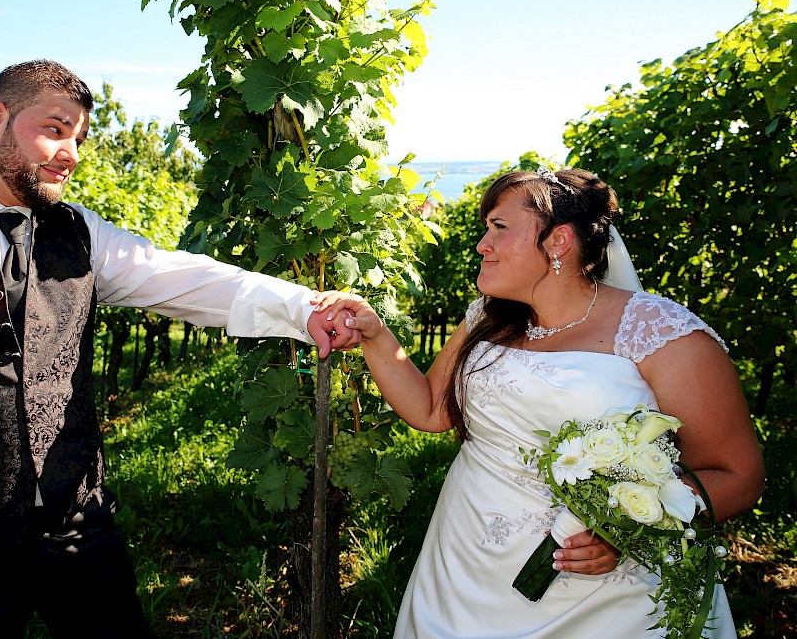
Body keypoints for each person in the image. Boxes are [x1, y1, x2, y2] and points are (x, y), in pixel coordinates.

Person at [0, 59, 359, 638]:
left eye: (80, 138)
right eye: (55, 129)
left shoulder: (78, 231)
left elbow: (184, 279)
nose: (72, 152)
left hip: (76, 523)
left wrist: (305, 308)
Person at [317, 168, 765, 637]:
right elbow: (431, 408)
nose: (481, 245)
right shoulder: (487, 320)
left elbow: (738, 474)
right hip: (463, 564)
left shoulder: (662, 334)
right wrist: (373, 333)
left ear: (558, 242)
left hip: (599, 597)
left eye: (499, 228)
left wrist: (629, 528)